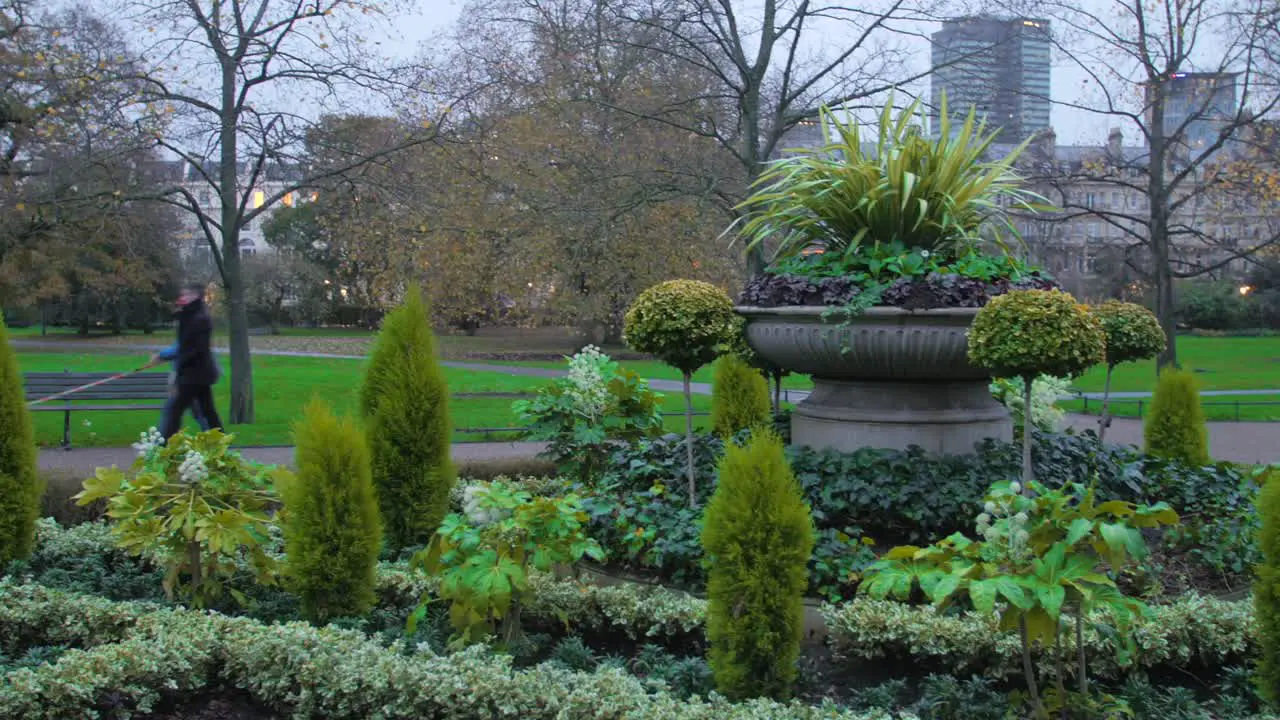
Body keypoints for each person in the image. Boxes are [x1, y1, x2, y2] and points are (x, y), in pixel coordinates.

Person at [152, 284, 223, 439]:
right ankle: (220, 444)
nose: (182, 297)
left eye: (186, 294)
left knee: (174, 411)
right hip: (195, 374)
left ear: (196, 296)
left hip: (193, 375)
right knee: (206, 412)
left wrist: (166, 358)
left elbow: (189, 348)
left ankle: (163, 447)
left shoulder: (198, 319)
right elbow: (185, 346)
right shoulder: (191, 316)